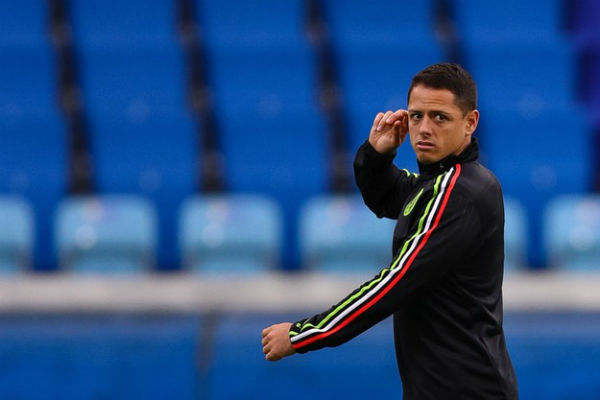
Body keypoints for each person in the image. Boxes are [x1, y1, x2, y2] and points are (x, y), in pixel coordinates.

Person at [261, 63, 518, 399]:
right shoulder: (437, 185)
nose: (424, 128)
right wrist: (377, 157)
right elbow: (389, 197)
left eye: (439, 117)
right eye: (416, 116)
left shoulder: (461, 192)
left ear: (470, 122)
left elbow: (396, 282)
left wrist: (302, 334)